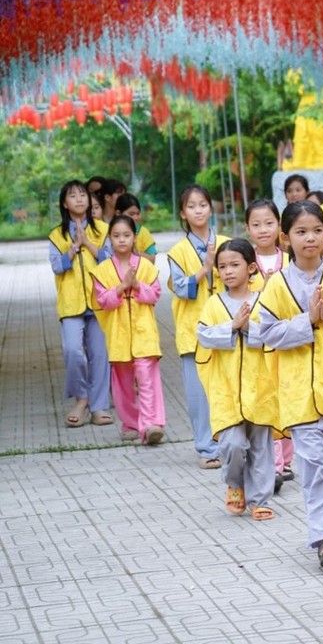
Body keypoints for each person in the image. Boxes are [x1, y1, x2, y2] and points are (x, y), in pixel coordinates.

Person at [258, 201, 323, 567]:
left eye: (316, 230)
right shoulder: (276, 287)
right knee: (314, 465)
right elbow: (265, 333)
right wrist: (306, 322)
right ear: (285, 239)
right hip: (299, 393)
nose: (310, 238)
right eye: (300, 232)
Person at [197, 239, 279, 520]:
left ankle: (260, 499)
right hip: (226, 389)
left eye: (235, 264)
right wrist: (232, 327)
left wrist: (248, 328)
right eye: (222, 266)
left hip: (260, 387)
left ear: (252, 267)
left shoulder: (264, 300)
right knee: (232, 444)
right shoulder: (213, 303)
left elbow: (272, 334)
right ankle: (234, 484)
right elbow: (204, 335)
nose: (228, 271)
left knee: (261, 447)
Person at [167, 185, 230, 469]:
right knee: (198, 394)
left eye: (203, 204)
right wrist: (205, 268)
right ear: (183, 213)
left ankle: (229, 441)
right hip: (193, 331)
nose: (198, 210)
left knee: (228, 386)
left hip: (227, 326)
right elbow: (181, 289)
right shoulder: (177, 252)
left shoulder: (228, 243)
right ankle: (207, 448)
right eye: (191, 206)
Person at [90, 215, 164, 444]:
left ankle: (151, 424)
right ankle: (131, 423)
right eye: (116, 235)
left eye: (127, 235)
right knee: (122, 384)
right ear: (109, 239)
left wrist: (137, 285)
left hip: (144, 333)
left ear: (134, 237)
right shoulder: (102, 270)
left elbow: (154, 296)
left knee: (147, 378)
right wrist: (123, 286)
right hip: (118, 335)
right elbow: (103, 301)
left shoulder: (146, 267)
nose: (122, 240)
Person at [48, 180, 113, 428]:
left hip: (99, 302)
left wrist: (87, 242)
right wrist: (74, 246)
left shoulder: (103, 229)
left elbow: (109, 260)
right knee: (73, 351)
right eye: (72, 196)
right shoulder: (57, 235)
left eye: (82, 195)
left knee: (99, 354)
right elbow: (58, 265)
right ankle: (82, 398)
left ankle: (99, 406)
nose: (79, 199)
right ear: (65, 203)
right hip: (71, 303)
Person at [243, 198, 293, 483]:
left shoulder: (289, 259)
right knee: (266, 397)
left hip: (285, 339)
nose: (263, 230)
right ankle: (272, 464)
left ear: (279, 226)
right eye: (256, 224)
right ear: (247, 227)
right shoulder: (244, 260)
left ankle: (286, 459)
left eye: (269, 223)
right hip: (257, 341)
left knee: (287, 396)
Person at [114, 193, 157, 263]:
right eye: (131, 214)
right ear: (118, 213)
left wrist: (136, 252)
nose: (136, 217)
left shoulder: (143, 232)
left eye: (138, 213)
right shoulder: (108, 230)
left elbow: (152, 259)